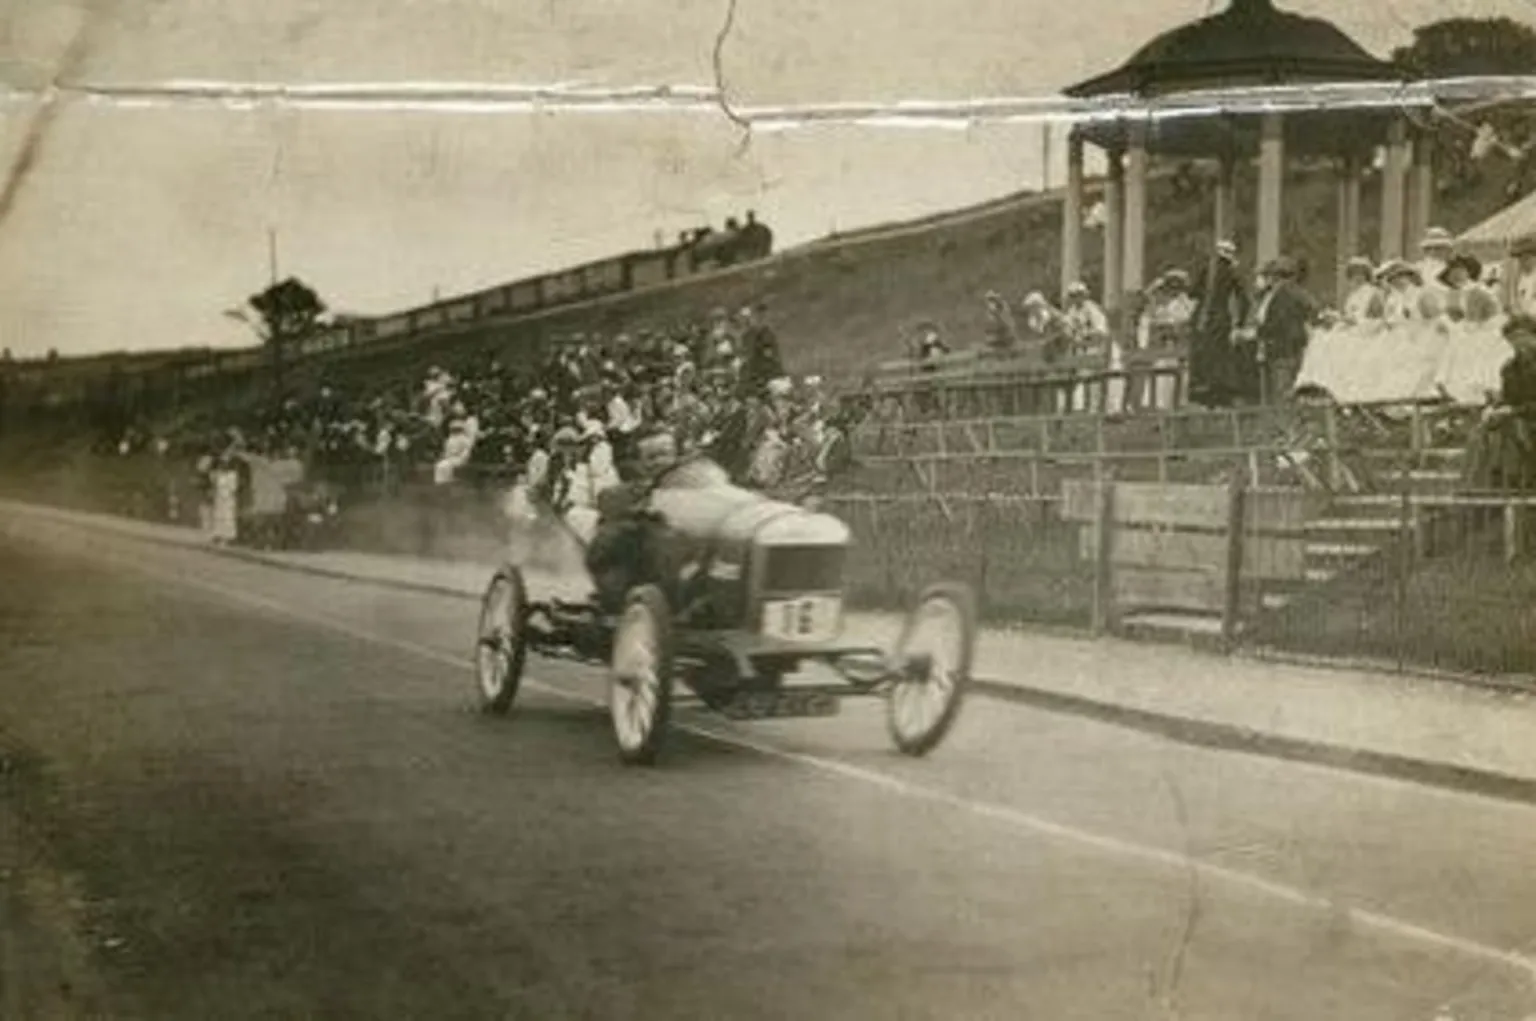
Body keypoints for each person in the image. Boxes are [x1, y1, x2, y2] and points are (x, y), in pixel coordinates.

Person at [1188, 238, 1250, 408]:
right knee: (1221, 359)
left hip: (1203, 319)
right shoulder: (1232, 272)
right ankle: (1221, 394)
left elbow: (1192, 292)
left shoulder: (1205, 270)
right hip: (1222, 319)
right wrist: (1240, 322)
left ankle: (1205, 395)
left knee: (1204, 356)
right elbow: (1244, 299)